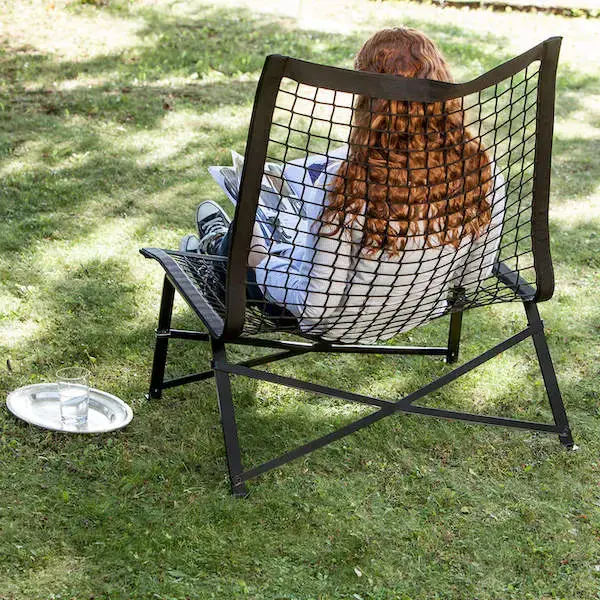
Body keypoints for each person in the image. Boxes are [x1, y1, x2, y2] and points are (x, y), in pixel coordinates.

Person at [182, 27, 505, 343]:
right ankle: (223, 245)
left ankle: (216, 257)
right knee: (272, 227)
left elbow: (316, 306)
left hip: (340, 323)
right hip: (420, 309)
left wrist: (261, 263)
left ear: (368, 98)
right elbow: (473, 277)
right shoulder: (481, 169)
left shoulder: (351, 183)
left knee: (247, 231)